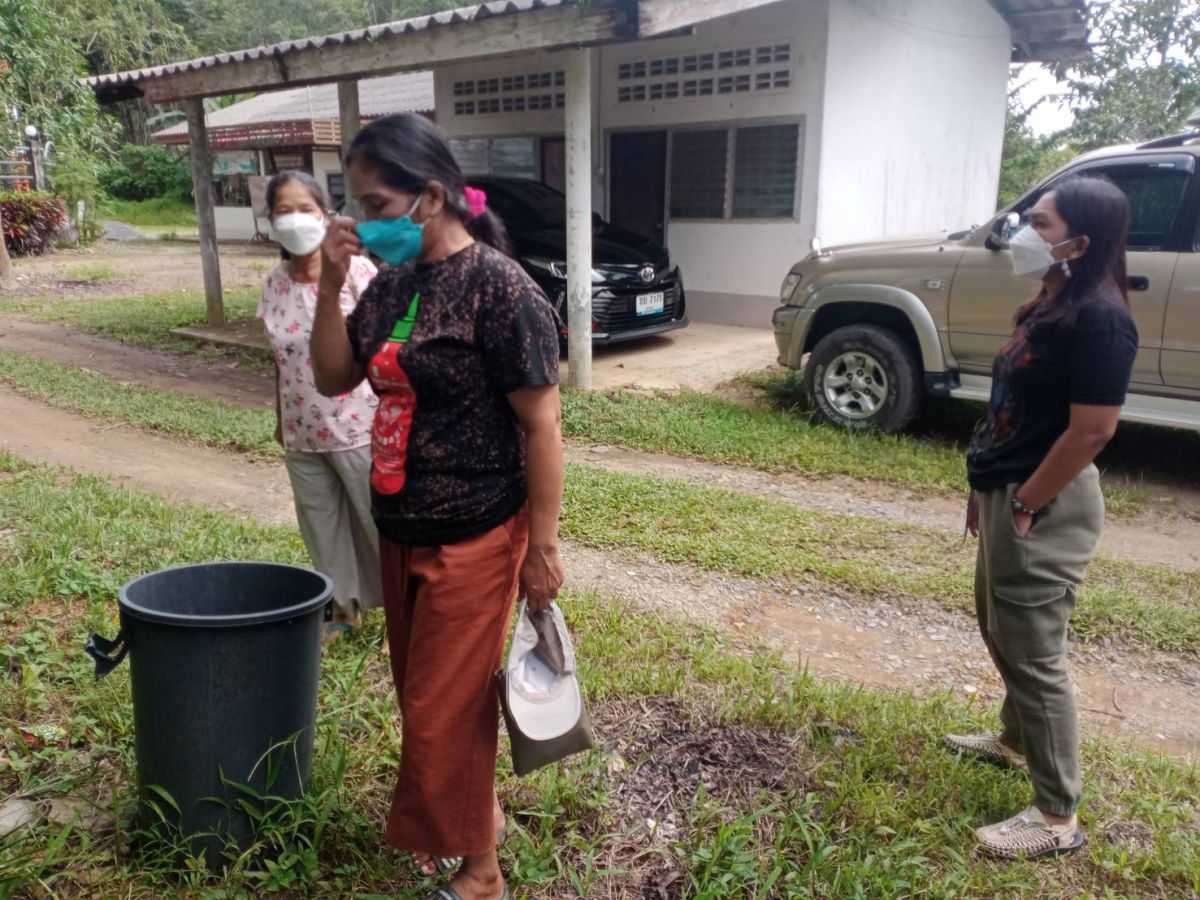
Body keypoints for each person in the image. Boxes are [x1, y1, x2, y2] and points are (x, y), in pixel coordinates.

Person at [309, 113, 564, 900]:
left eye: (377, 206)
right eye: (356, 206)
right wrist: (329, 284)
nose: (364, 224)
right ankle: (478, 817)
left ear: (429, 196)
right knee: (427, 696)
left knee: (437, 710)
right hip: (400, 525)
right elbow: (333, 378)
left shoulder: (500, 288)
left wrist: (543, 548)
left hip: (477, 530)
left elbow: (543, 425)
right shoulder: (393, 284)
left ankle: (482, 874)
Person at [948, 175, 1138, 860]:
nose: (1025, 233)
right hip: (1009, 488)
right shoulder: (1048, 304)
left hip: (1045, 502)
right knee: (999, 624)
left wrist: (1027, 500)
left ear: (1079, 245)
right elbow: (1013, 408)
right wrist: (984, 484)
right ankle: (1014, 740)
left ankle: (1056, 817)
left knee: (1035, 653)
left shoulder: (1102, 318)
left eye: (1043, 224)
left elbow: (1092, 431)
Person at [258, 170, 383, 640]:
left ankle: (405, 610)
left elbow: (386, 351)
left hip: (361, 429)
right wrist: (280, 420)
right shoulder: (274, 284)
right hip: (302, 435)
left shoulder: (359, 274)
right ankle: (341, 611)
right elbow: (279, 361)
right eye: (283, 210)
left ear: (326, 216)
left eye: (304, 209)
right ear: (270, 221)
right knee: (322, 527)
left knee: (379, 526)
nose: (294, 219)